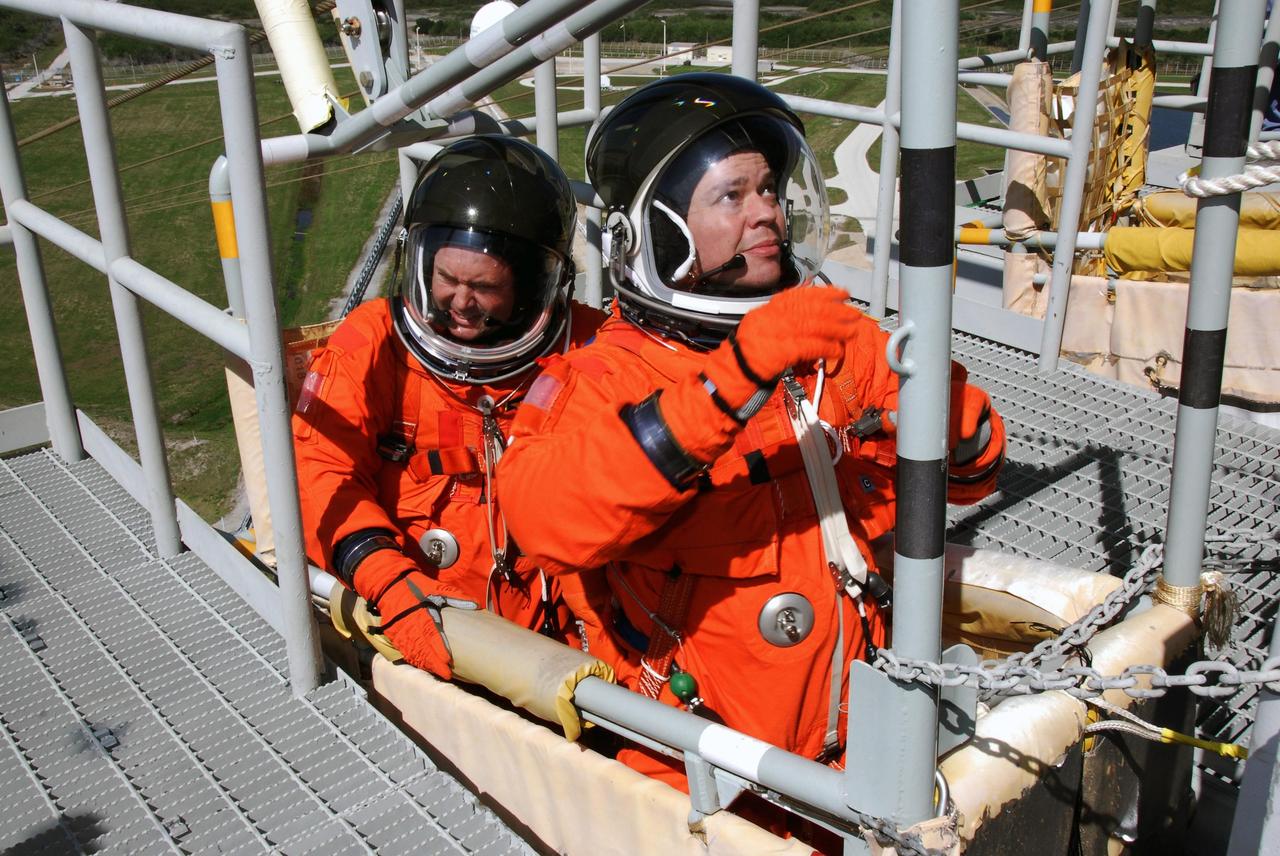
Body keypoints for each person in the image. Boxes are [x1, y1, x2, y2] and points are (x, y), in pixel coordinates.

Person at [496, 74, 1006, 789]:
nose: (765, 212)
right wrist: (735, 378)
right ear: (654, 231)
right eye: (731, 195)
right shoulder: (601, 376)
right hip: (694, 764)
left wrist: (954, 425)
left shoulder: (829, 338)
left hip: (861, 740)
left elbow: (976, 474)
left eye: (768, 189)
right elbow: (543, 516)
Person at [292, 135, 606, 678]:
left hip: (561, 636)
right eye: (447, 278)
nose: (461, 302)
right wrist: (387, 579)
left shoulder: (587, 347)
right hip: (421, 612)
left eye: (485, 287)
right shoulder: (374, 342)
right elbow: (318, 472)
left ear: (533, 286)